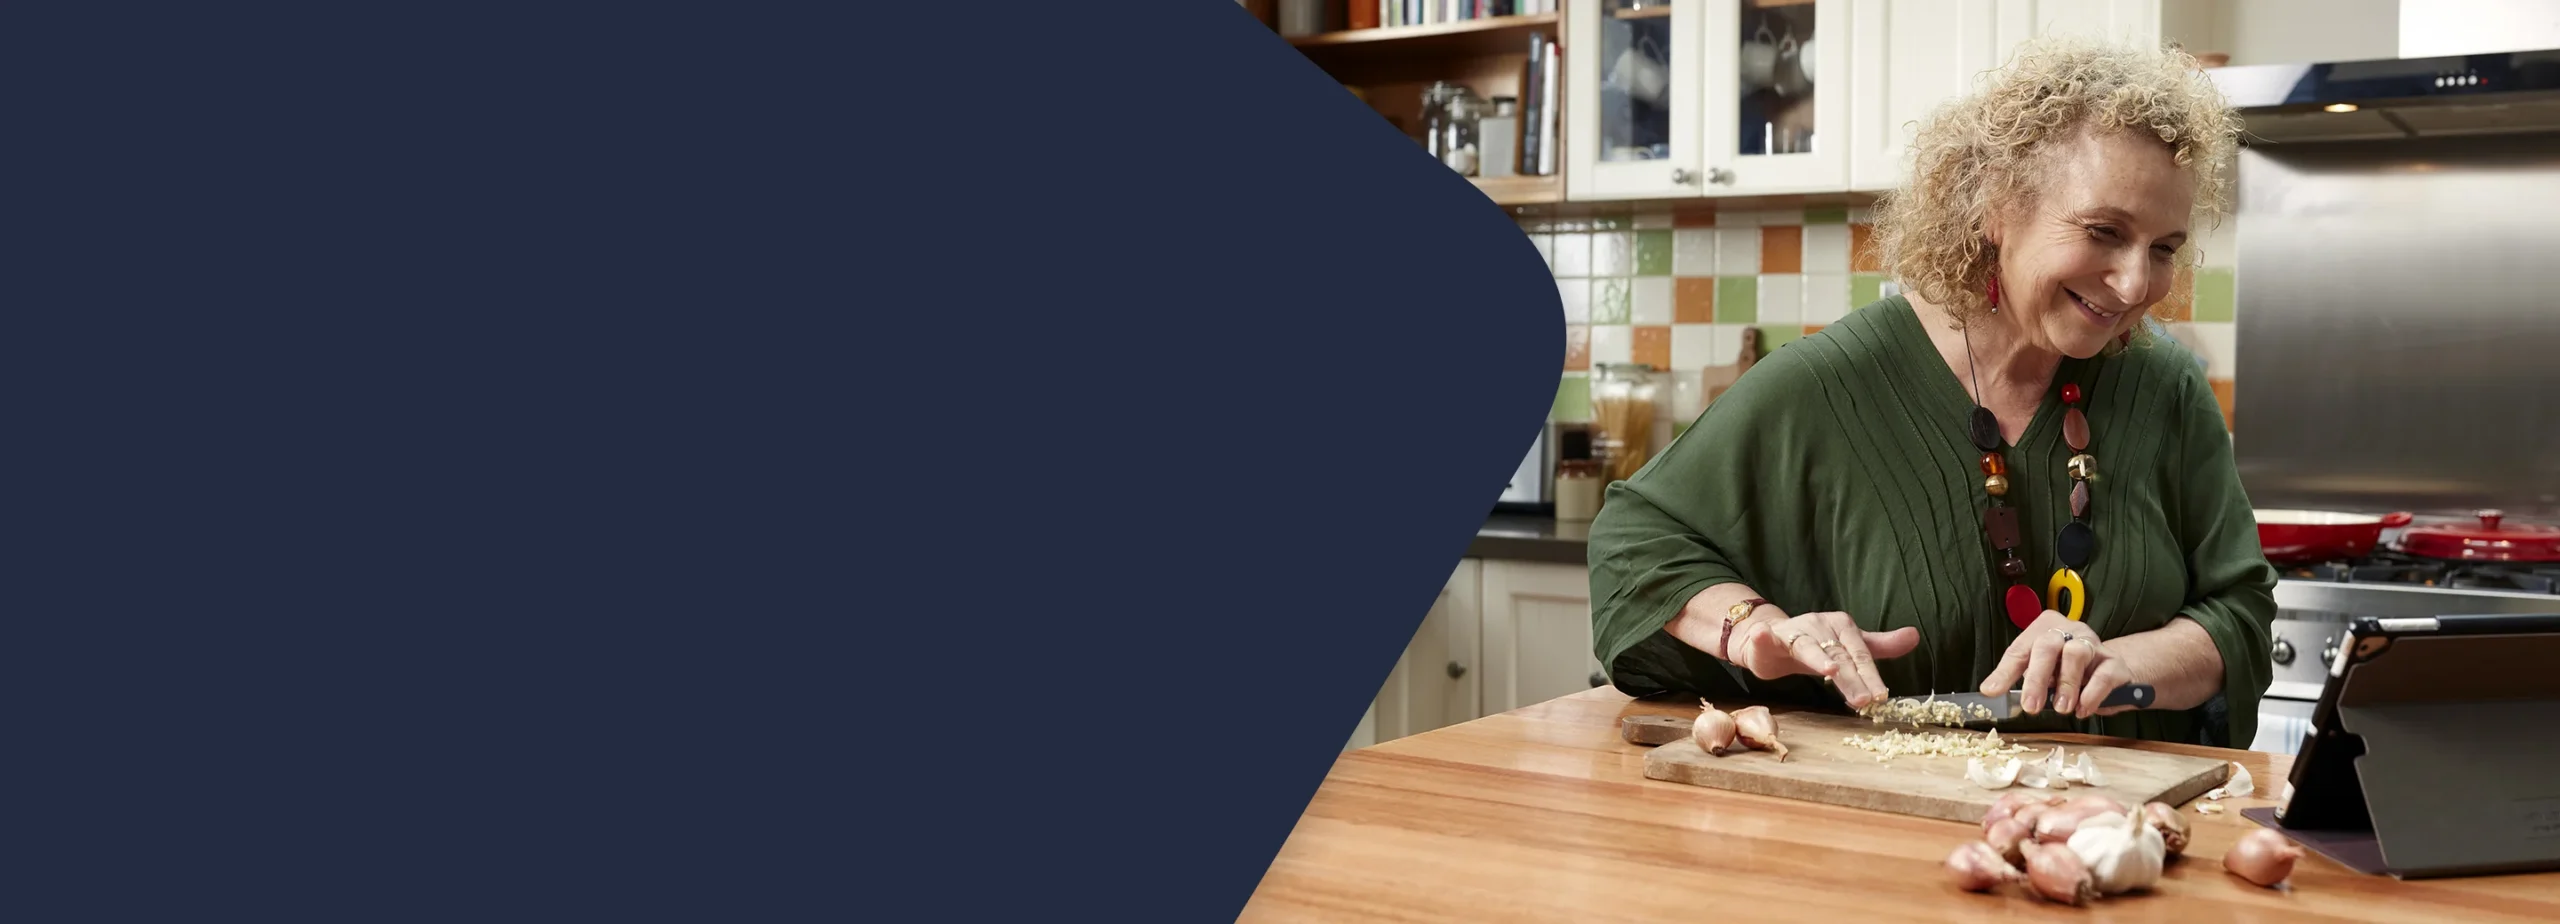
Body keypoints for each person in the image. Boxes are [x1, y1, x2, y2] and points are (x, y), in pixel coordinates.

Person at [1584, 36, 2276, 747]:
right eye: (2103, 231)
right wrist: (1752, 628)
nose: (2136, 284)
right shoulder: (1827, 384)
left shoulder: (2167, 389)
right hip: (1888, 834)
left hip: (2116, 833)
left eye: (2163, 248)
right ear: (1996, 209)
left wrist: (2125, 660)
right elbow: (1634, 545)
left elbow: (2239, 611)